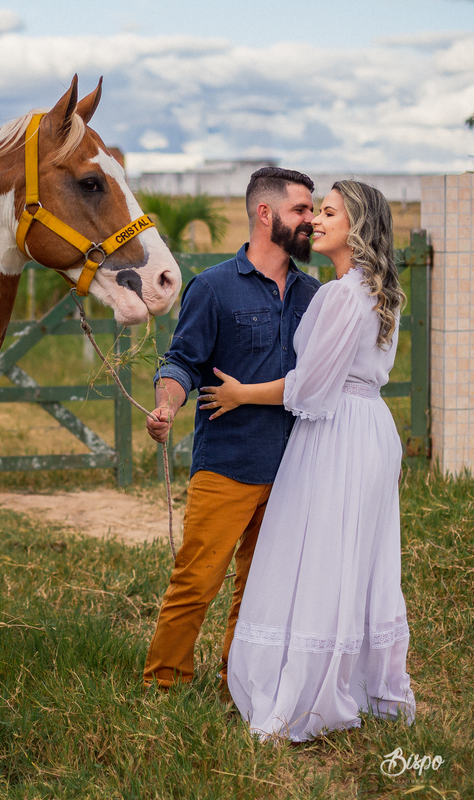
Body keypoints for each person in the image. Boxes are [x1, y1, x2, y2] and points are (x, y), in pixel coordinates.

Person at [201, 180, 415, 740]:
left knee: (321, 554)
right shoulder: (379, 289)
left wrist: (243, 393)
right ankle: (358, 680)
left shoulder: (341, 294)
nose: (316, 220)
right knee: (356, 556)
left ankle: (313, 688)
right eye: (314, 210)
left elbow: (311, 389)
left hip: (337, 431)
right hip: (372, 428)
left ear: (357, 226)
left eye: (328, 213)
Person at [143, 167, 321, 692]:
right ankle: (163, 685)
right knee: (197, 582)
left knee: (259, 589)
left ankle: (237, 685)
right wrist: (166, 406)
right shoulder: (215, 288)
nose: (309, 220)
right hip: (228, 464)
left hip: (293, 469)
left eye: (312, 211)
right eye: (301, 210)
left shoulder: (314, 294)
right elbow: (181, 362)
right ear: (266, 215)